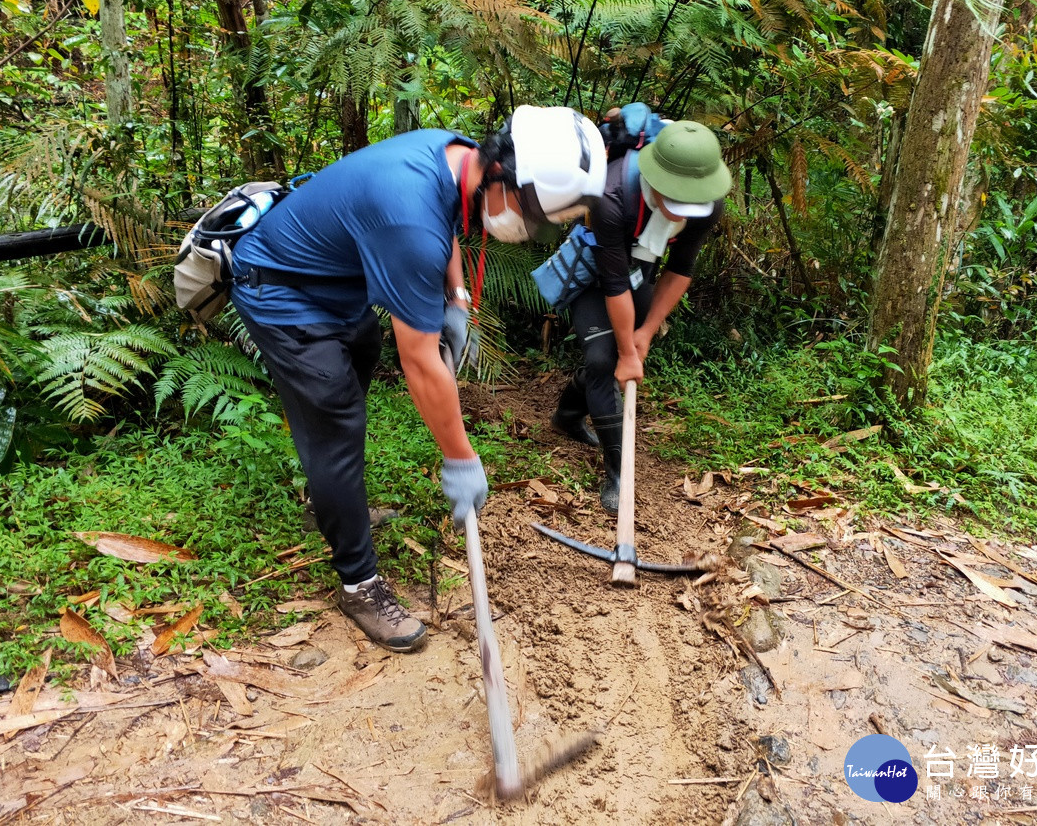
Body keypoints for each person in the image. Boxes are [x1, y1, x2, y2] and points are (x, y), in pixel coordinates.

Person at [229, 107, 607, 652]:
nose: (529, 231)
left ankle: (331, 505)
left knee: (359, 355)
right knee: (334, 415)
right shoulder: (408, 220)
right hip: (283, 292)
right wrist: (460, 459)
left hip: (337, 283)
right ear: (502, 174)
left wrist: (455, 298)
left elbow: (447, 222)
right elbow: (421, 362)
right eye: (532, 215)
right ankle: (359, 584)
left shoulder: (456, 156)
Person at [550, 117, 731, 512]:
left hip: (640, 273)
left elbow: (680, 269)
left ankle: (567, 414)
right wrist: (628, 355)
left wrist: (646, 332)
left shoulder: (709, 203)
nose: (685, 210)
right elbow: (613, 285)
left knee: (617, 353)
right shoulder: (612, 194)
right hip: (596, 273)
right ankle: (618, 473)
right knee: (604, 360)